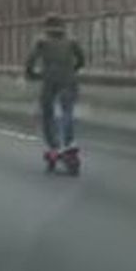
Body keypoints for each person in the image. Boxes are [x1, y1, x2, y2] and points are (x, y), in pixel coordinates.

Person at [25, 15, 86, 171]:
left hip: (49, 82)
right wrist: (73, 70)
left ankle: (54, 145)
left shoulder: (42, 42)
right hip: (69, 81)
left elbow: (30, 61)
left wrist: (32, 74)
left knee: (47, 115)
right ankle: (69, 142)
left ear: (46, 27)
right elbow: (82, 60)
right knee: (68, 112)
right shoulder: (71, 41)